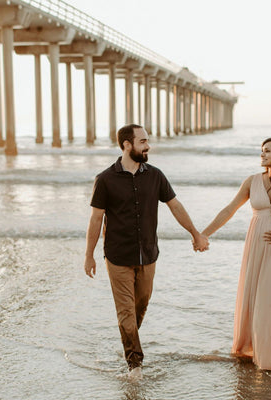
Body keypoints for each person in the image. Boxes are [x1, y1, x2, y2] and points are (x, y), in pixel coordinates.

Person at [83, 124, 209, 380]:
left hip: (148, 254)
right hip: (117, 256)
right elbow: (96, 219)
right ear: (127, 145)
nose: (147, 146)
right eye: (142, 141)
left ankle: (128, 339)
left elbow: (175, 206)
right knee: (126, 311)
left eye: (147, 141)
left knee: (140, 305)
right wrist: (89, 255)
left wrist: (195, 233)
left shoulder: (156, 175)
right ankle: (135, 364)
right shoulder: (105, 179)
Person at [201, 136, 271, 376]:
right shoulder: (252, 181)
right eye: (261, 151)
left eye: (267, 151)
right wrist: (204, 234)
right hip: (257, 244)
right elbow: (229, 210)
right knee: (258, 298)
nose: (261, 155)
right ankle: (256, 349)